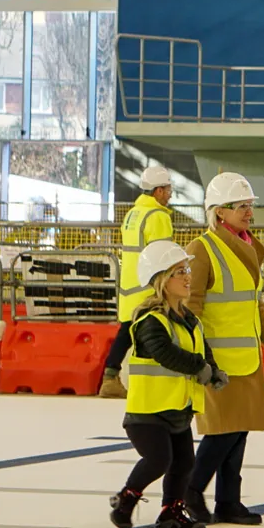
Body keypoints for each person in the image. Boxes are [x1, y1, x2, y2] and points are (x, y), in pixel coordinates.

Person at [183, 172, 264, 526]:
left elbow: (255, 305)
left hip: (246, 358)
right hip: (217, 361)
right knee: (222, 431)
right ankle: (191, 489)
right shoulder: (202, 249)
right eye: (241, 206)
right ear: (219, 213)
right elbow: (190, 307)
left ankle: (229, 500)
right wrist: (195, 357)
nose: (250, 212)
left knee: (239, 429)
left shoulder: (247, 246)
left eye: (250, 205)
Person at [109, 239, 227, 528]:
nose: (188, 276)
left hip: (179, 406)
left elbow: (202, 349)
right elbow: (164, 352)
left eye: (187, 269)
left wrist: (213, 371)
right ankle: (126, 500)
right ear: (161, 279)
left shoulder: (190, 320)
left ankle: (170, 513)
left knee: (184, 462)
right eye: (179, 272)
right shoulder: (151, 320)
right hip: (148, 411)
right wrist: (199, 368)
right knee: (158, 460)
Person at [101, 164, 175, 399]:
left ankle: (110, 377)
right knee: (156, 335)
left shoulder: (132, 214)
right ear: (158, 191)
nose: (170, 193)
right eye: (168, 189)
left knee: (127, 333)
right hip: (148, 288)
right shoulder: (157, 216)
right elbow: (163, 255)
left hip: (130, 288)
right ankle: (153, 383)